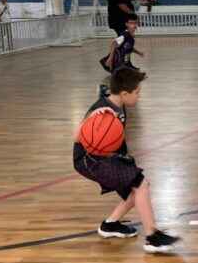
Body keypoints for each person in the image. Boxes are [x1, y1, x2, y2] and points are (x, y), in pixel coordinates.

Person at [73, 68, 180, 253]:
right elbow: (77, 137)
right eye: (137, 92)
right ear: (124, 93)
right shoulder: (101, 110)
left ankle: (110, 225)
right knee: (141, 184)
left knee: (138, 190)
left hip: (107, 157)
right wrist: (90, 118)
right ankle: (152, 236)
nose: (139, 97)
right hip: (89, 159)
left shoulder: (117, 101)